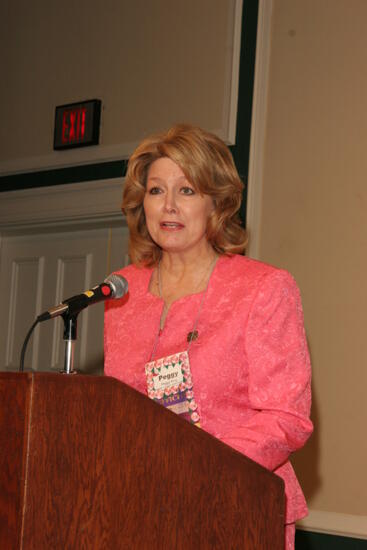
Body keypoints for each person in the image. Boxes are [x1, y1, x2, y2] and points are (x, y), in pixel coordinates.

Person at [104, 124, 313, 549]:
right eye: (156, 191)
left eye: (186, 191)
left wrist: (194, 467)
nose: (168, 206)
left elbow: (286, 417)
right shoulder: (121, 291)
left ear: (216, 202)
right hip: (139, 511)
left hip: (235, 507)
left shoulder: (263, 288)